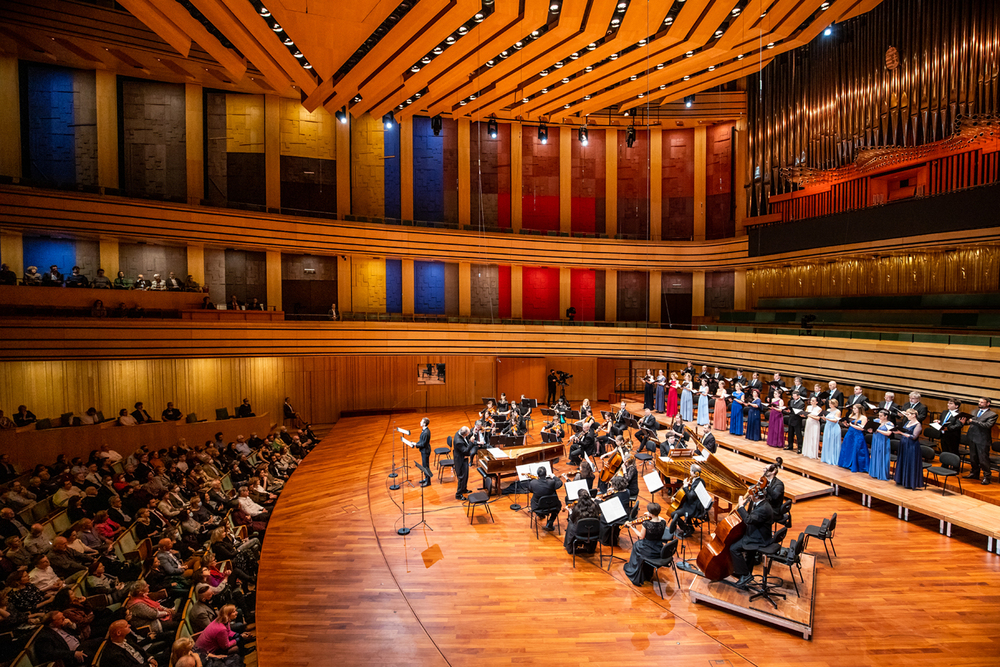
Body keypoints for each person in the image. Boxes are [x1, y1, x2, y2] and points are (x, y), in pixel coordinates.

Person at [729, 489, 774, 589]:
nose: (749, 497)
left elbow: (749, 520)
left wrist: (741, 506)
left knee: (733, 548)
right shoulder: (762, 503)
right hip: (759, 533)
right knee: (749, 552)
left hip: (759, 538)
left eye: (751, 496)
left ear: (757, 497)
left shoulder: (763, 509)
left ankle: (745, 575)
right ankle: (745, 572)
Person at [622, 502, 669, 586]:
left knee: (636, 545)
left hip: (648, 549)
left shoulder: (646, 523)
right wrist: (650, 514)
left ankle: (634, 570)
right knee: (638, 545)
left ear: (651, 513)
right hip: (658, 548)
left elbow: (641, 536)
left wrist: (632, 527)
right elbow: (659, 517)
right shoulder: (663, 521)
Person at [964, 397, 997, 485]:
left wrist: (973, 421)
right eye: (979, 402)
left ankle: (987, 477)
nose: (980, 403)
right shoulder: (974, 411)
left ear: (988, 403)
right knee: (973, 458)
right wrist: (964, 421)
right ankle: (974, 473)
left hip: (982, 440)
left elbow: (987, 425)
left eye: (982, 402)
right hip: (972, 437)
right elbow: (969, 422)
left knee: (983, 460)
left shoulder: (992, 414)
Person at [667, 465, 705, 535]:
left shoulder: (696, 483)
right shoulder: (701, 481)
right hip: (696, 504)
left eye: (690, 471)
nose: (690, 472)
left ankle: (687, 529)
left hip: (692, 507)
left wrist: (685, 486)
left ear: (694, 473)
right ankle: (689, 524)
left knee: (673, 514)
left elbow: (691, 496)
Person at [563, 487, 600, 554]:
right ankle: (590, 547)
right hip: (593, 532)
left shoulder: (577, 508)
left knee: (571, 523)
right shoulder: (595, 505)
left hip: (579, 532)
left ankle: (569, 546)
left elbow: (573, 519)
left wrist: (570, 511)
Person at [894, 408, 925, 489]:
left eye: (908, 414)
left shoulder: (918, 424)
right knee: (903, 461)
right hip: (904, 443)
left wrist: (901, 433)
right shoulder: (908, 422)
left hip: (911, 445)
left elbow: (914, 437)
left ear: (914, 415)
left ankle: (909, 482)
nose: (906, 416)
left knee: (910, 462)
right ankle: (901, 479)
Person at [528, 467, 562, 532]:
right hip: (552, 506)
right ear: (546, 474)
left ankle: (541, 514)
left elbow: (530, 489)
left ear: (537, 475)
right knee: (559, 505)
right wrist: (554, 476)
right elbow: (560, 483)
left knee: (537, 498)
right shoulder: (551, 482)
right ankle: (550, 522)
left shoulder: (533, 483)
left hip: (538, 507)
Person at [838, 404, 869, 473]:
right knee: (848, 448)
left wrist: (852, 425)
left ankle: (855, 465)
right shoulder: (851, 415)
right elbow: (849, 425)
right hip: (850, 434)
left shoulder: (863, 417)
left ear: (859, 409)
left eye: (855, 408)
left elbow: (862, 428)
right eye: (853, 408)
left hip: (857, 435)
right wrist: (846, 424)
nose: (853, 410)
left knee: (856, 449)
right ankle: (846, 463)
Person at [869, 409, 894, 481]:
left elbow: (888, 433)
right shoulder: (876, 421)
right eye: (879, 415)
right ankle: (875, 472)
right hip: (876, 440)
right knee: (875, 455)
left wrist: (877, 430)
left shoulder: (890, 424)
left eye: (881, 416)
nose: (879, 417)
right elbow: (871, 429)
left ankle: (882, 473)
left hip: (883, 441)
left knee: (882, 456)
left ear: (886, 416)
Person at [821, 399, 842, 466]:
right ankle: (826, 458)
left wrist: (827, 419)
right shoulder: (828, 410)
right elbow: (826, 419)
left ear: (834, 404)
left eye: (831, 403)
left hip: (834, 427)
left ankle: (833, 459)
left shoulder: (837, 411)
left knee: (833, 442)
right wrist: (824, 418)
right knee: (827, 441)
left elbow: (835, 420)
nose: (829, 405)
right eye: (829, 403)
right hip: (828, 427)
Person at [452, 425, 471, 499]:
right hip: (460, 460)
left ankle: (464, 489)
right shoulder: (458, 441)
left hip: (464, 458)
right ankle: (458, 494)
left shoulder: (459, 432)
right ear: (464, 434)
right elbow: (465, 450)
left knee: (466, 475)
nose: (468, 435)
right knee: (461, 477)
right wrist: (471, 443)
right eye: (467, 434)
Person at [415, 417, 432, 487]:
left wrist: (416, 445)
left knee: (426, 466)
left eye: (421, 421)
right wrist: (415, 443)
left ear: (424, 424)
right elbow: (421, 441)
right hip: (424, 450)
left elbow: (423, 444)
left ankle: (428, 482)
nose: (420, 422)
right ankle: (426, 478)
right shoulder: (425, 430)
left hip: (425, 451)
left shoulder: (426, 433)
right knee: (424, 465)